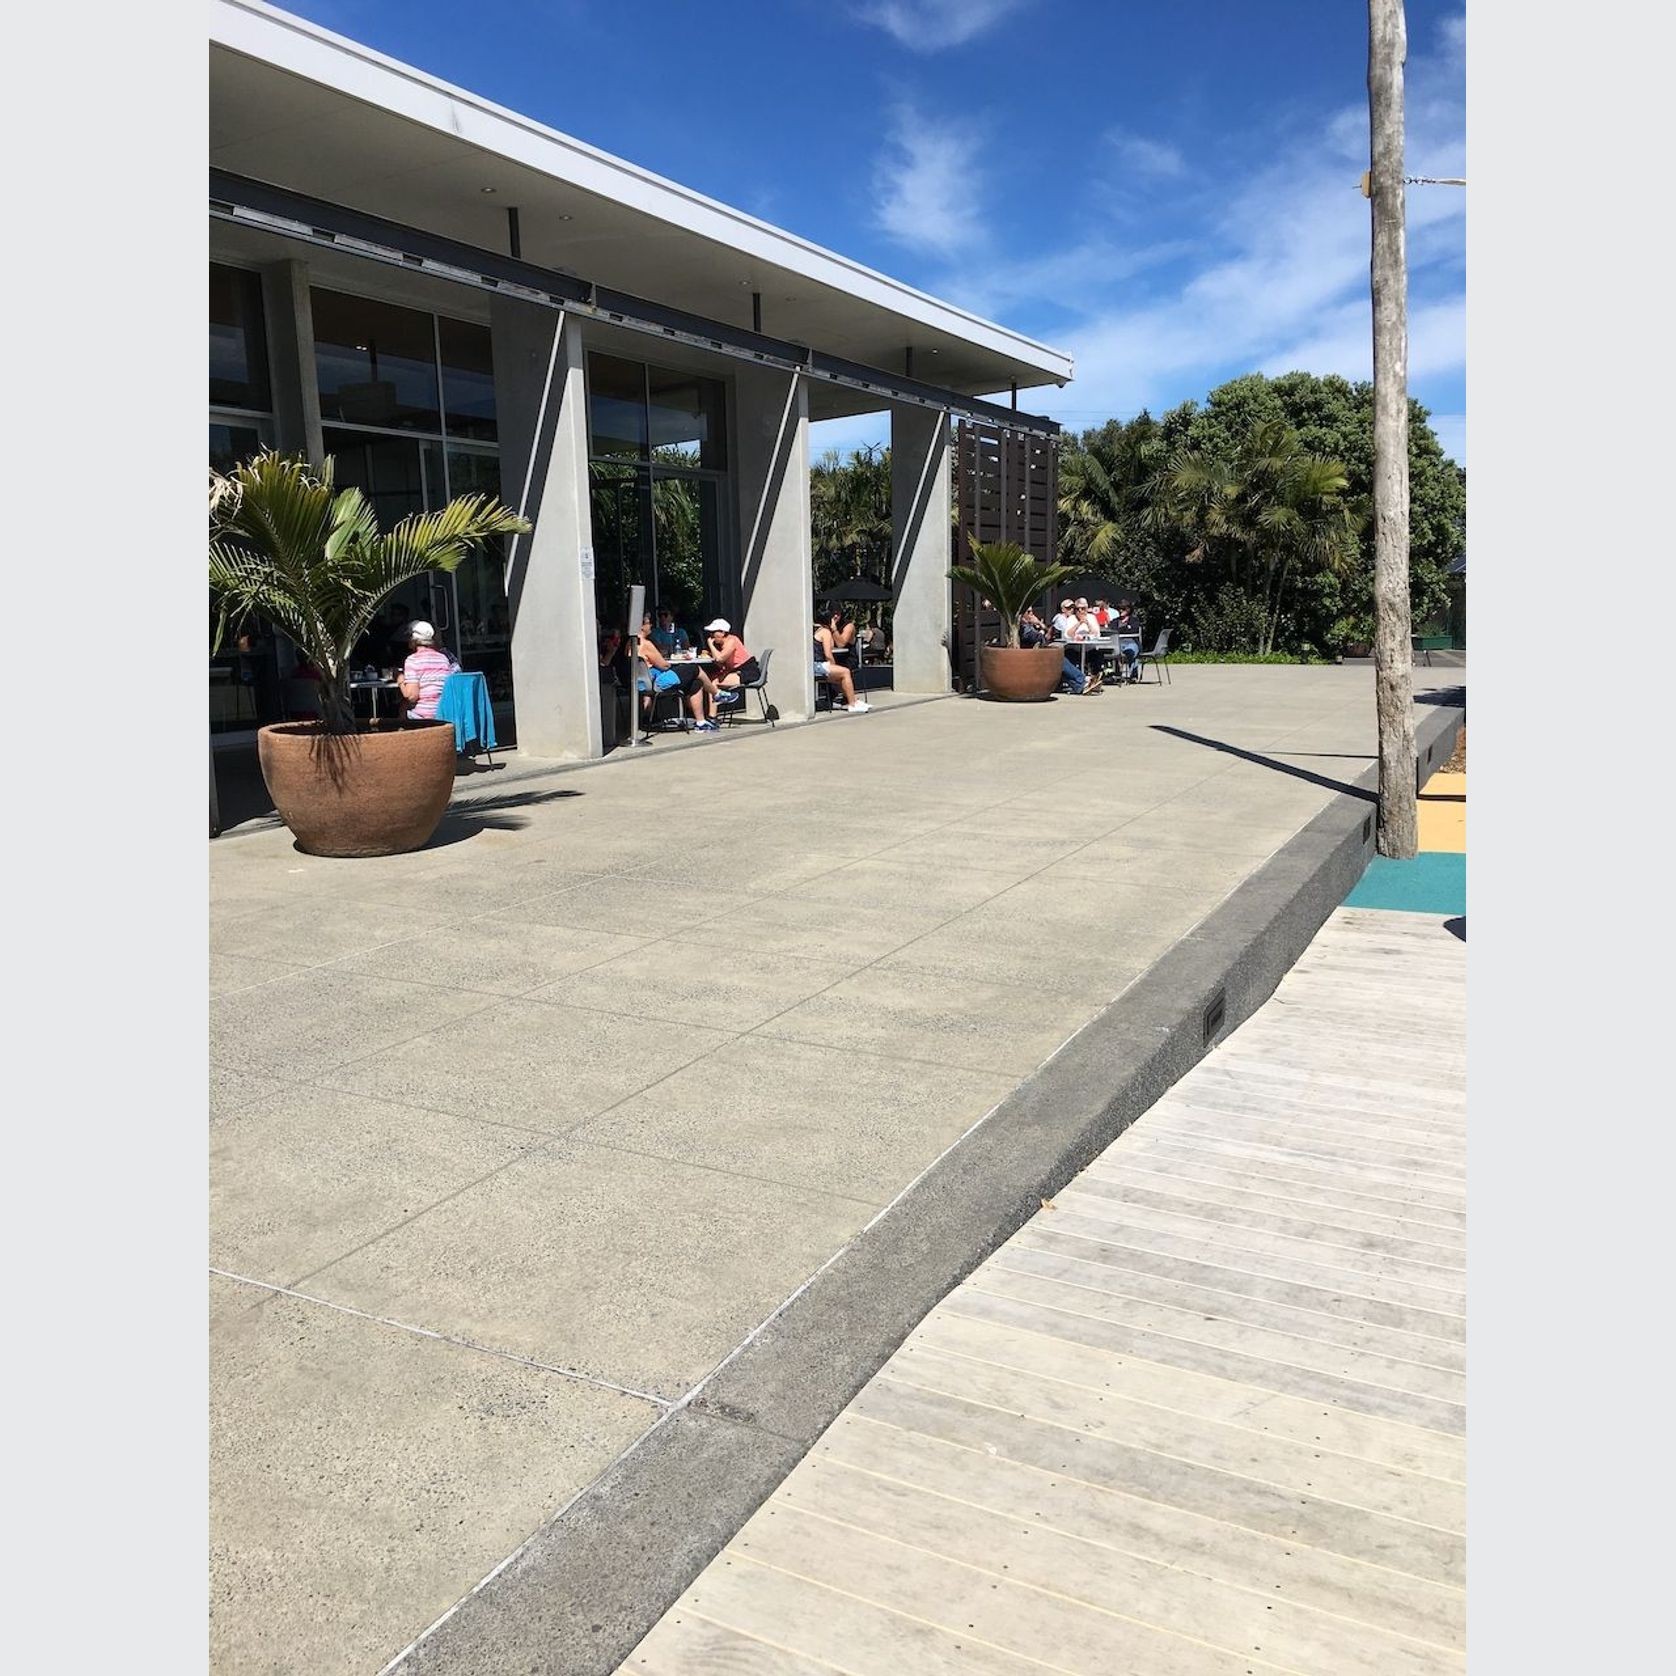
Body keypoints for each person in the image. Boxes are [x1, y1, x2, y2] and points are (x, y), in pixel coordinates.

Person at [635, 612, 719, 731]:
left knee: (695, 682)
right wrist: (669, 663)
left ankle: (701, 721)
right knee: (694, 669)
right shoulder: (646, 644)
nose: (651, 625)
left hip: (642, 683)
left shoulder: (631, 644)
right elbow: (663, 665)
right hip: (657, 682)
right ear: (642, 626)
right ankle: (716, 695)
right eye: (648, 623)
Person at [397, 620, 459, 722]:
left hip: (422, 716)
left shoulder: (412, 660)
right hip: (443, 714)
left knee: (402, 708)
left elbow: (411, 696)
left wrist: (399, 679)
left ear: (413, 639)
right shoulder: (443, 658)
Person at [814, 618, 870, 712]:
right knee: (845, 672)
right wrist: (833, 665)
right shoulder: (826, 632)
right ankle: (852, 704)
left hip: (815, 664)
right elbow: (828, 654)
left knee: (840, 676)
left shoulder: (818, 631)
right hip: (818, 665)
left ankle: (850, 700)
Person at [703, 618, 761, 708]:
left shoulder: (732, 641)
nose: (711, 635)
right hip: (736, 671)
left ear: (722, 632)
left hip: (747, 671)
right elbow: (722, 663)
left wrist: (710, 644)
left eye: (713, 632)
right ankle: (714, 712)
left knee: (713, 683)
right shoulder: (723, 644)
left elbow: (719, 659)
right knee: (711, 678)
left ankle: (712, 716)